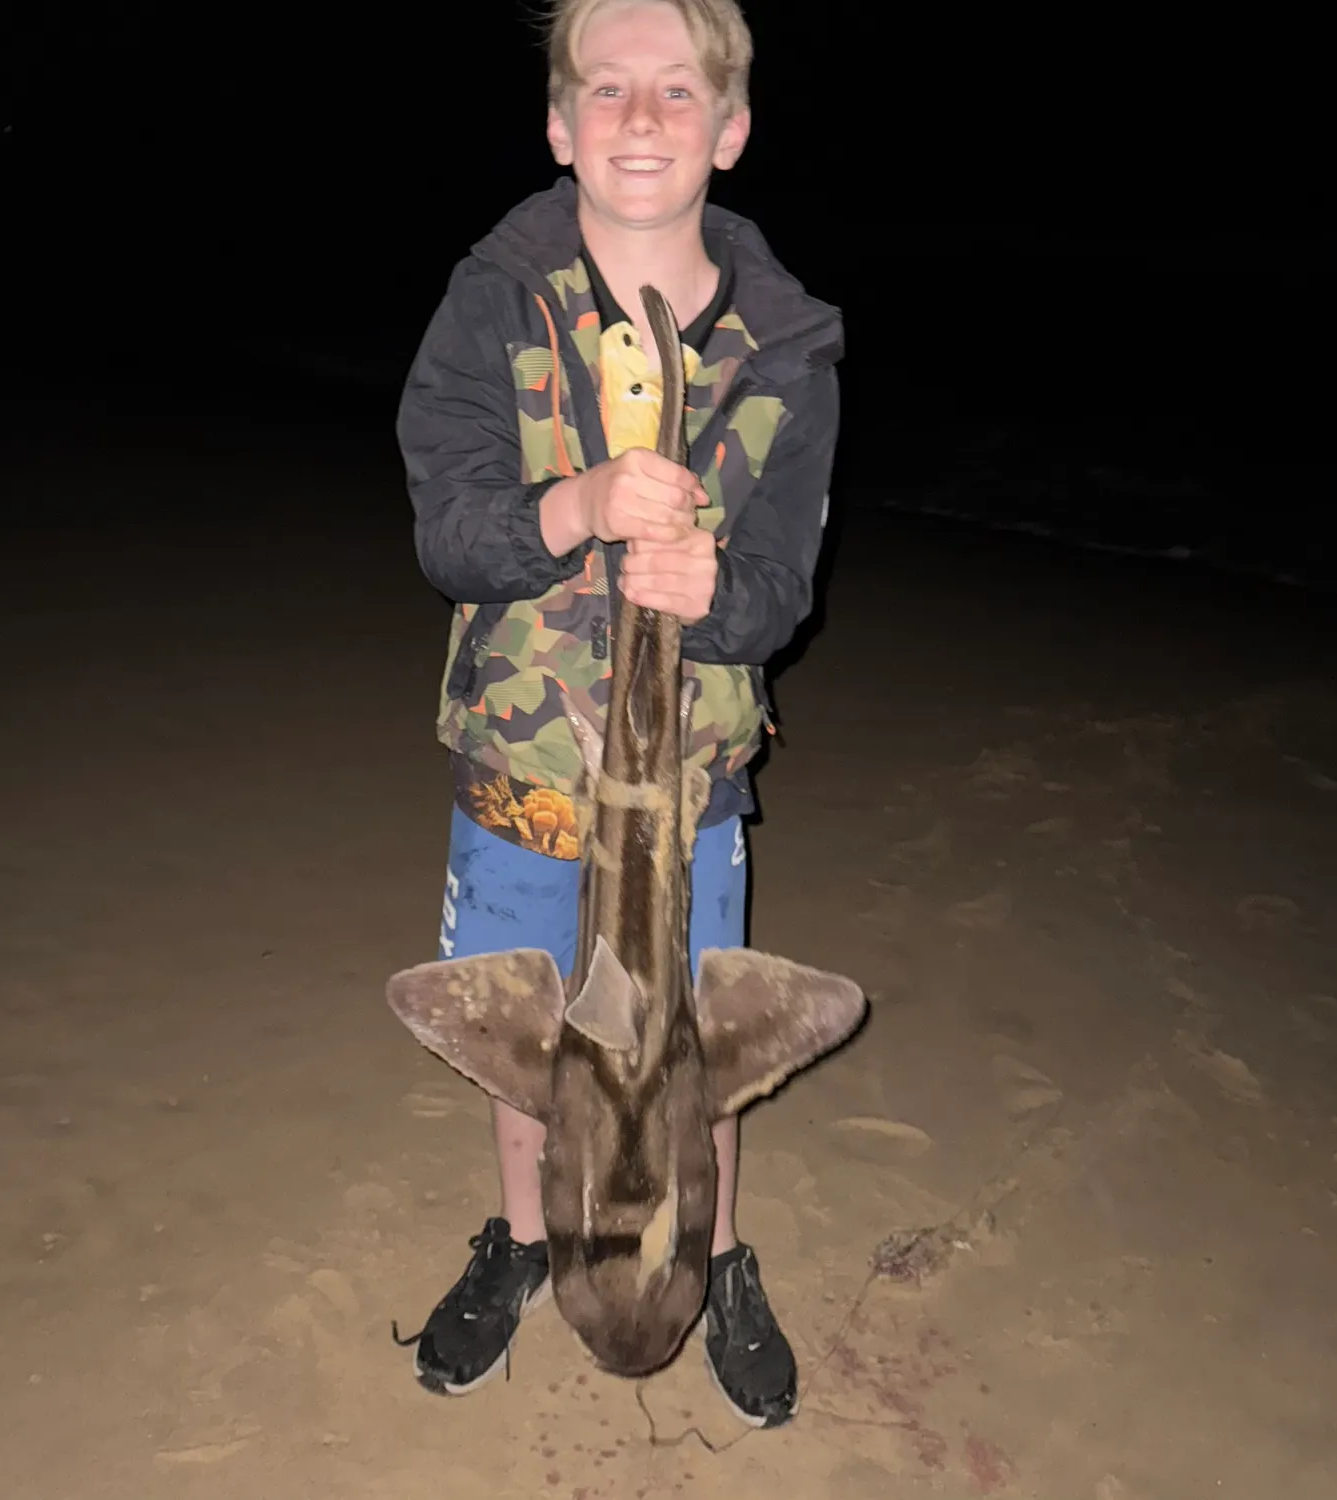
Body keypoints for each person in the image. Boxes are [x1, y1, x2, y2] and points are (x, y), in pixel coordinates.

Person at [395, 0, 842, 1429]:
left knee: (692, 1059)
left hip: (691, 780)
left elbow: (783, 589)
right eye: (606, 89)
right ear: (556, 124)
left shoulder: (788, 350)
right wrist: (576, 510)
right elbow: (449, 528)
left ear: (732, 127)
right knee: (539, 1039)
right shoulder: (493, 300)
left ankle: (715, 1256)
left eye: (674, 91)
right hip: (526, 761)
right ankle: (525, 1240)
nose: (639, 118)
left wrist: (716, 592)